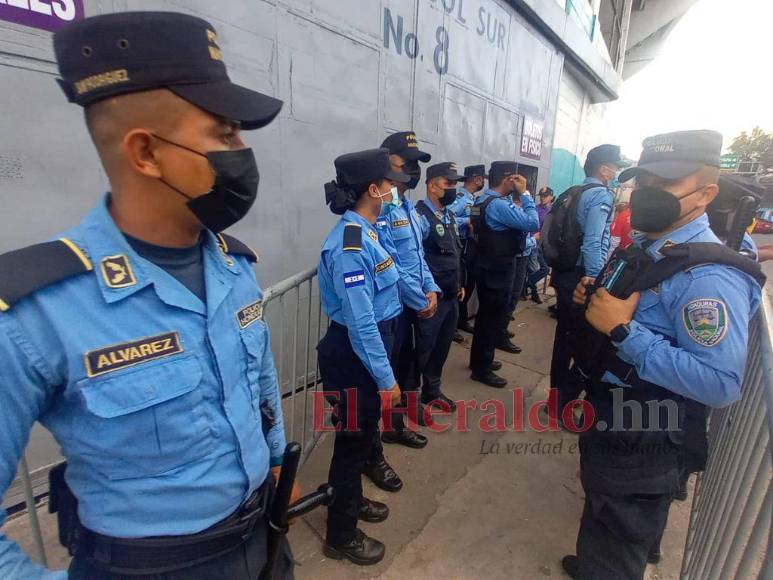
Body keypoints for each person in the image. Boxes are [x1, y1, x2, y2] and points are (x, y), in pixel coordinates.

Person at [0, 12, 296, 579]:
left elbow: (258, 382)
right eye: (224, 133)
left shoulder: (234, 265)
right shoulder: (36, 312)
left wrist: (278, 462)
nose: (242, 150)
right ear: (146, 153)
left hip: (264, 540)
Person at [562, 130, 764, 580]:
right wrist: (592, 298)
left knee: (618, 540)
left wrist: (621, 329)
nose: (649, 194)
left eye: (666, 184)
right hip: (614, 413)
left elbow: (720, 383)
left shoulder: (709, 279)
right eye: (645, 182)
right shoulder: (652, 245)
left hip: (647, 428)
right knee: (604, 513)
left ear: (705, 194)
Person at [317, 148, 407, 566]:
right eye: (389, 182)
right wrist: (386, 379)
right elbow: (361, 323)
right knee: (351, 444)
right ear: (373, 189)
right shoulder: (351, 245)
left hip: (366, 351)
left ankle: (349, 501)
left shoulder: (367, 230)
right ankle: (341, 533)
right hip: (355, 356)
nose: (395, 188)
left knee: (362, 436)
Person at [549, 144, 629, 419]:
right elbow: (594, 242)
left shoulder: (574, 192)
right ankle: (562, 404)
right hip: (581, 276)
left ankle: (556, 399)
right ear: (603, 168)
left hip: (564, 272)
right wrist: (595, 281)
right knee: (583, 342)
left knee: (565, 339)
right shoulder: (600, 196)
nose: (617, 172)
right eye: (615, 166)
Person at [373, 131, 440, 446]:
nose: (413, 170)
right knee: (386, 371)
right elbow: (391, 265)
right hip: (393, 307)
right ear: (387, 162)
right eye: (407, 162)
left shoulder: (407, 207)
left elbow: (417, 255)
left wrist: (431, 288)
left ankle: (395, 423)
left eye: (416, 163)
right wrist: (418, 299)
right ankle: (380, 432)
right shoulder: (381, 208)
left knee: (406, 365)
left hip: (413, 302)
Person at [469, 162, 539, 388]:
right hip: (498, 268)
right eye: (516, 178)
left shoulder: (481, 200)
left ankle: (478, 361)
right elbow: (532, 222)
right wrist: (526, 194)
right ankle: (482, 369)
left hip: (485, 263)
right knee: (492, 319)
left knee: (484, 318)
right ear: (508, 179)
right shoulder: (499, 205)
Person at [414, 162, 466, 412]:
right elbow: (415, 258)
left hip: (451, 296)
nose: (454, 188)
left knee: (441, 347)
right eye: (449, 183)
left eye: (455, 183)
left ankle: (432, 390)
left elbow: (455, 251)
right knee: (420, 350)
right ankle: (409, 399)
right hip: (430, 298)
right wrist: (426, 290)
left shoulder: (449, 215)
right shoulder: (419, 217)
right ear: (433, 186)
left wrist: (460, 283)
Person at [452, 165, 487, 334]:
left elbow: (474, 221)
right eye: (482, 179)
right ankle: (453, 326)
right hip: (459, 247)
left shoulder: (473, 199)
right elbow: (447, 219)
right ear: (475, 179)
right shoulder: (459, 198)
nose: (483, 182)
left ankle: (462, 320)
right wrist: (466, 222)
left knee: (469, 285)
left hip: (471, 248)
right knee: (460, 285)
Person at [524, 187, 553, 303]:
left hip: (546, 245)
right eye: (541, 196)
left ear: (551, 197)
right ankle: (533, 292)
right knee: (533, 268)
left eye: (545, 196)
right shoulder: (535, 209)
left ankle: (526, 285)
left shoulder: (553, 210)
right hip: (534, 243)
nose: (542, 198)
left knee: (544, 269)